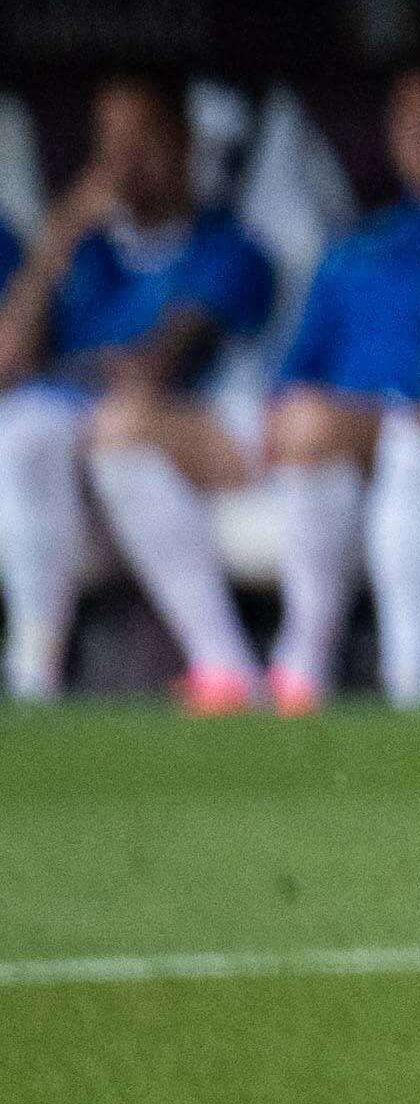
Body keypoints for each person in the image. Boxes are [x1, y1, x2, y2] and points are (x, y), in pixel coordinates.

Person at [0, 74, 284, 710]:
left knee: (114, 434)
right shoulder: (83, 251)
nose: (124, 161)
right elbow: (9, 358)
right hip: (80, 454)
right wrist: (59, 235)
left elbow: (152, 368)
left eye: (143, 140)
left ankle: (225, 663)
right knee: (26, 429)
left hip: (205, 435)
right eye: (112, 143)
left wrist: (78, 368)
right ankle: (32, 672)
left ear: (183, 145)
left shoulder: (228, 246)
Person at [253, 61, 420, 714]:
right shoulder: (357, 249)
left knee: (413, 443)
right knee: (319, 451)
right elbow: (290, 380)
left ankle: (410, 682)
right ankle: (304, 663)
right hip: (345, 445)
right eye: (413, 124)